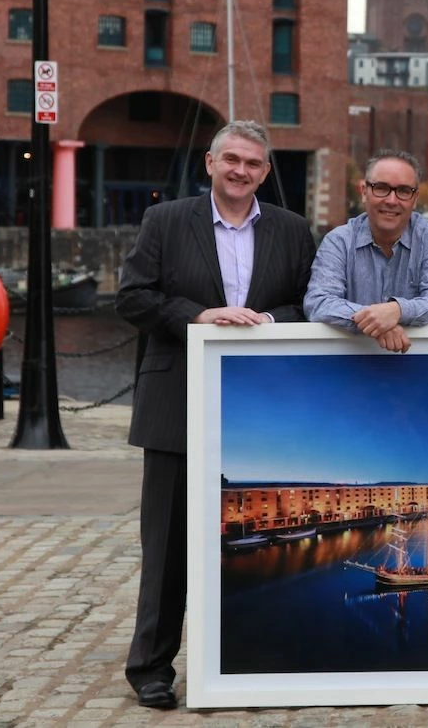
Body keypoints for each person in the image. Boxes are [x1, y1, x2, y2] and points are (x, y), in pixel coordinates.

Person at [115, 121, 315, 709]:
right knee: (168, 543)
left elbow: (312, 302)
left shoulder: (294, 230)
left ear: (265, 172)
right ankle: (151, 667)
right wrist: (200, 319)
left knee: (242, 546)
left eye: (253, 164)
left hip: (260, 407)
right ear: (209, 162)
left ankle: (250, 657)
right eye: (232, 159)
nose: (241, 171)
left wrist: (268, 324)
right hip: (176, 400)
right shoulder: (167, 221)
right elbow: (132, 297)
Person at [304, 149, 428, 350]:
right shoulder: (338, 241)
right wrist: (378, 322)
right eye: (381, 188)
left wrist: (397, 310)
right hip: (348, 365)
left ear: (415, 198)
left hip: (415, 366)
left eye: (403, 191)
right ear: (364, 192)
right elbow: (318, 302)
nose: (392, 200)